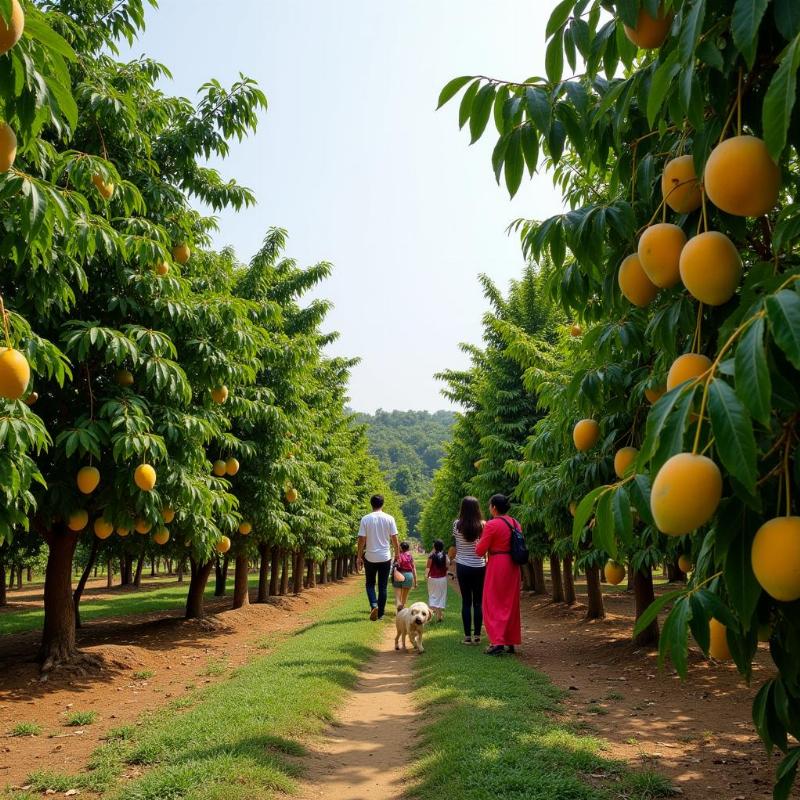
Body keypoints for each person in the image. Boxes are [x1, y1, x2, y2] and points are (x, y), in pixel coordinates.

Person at [474, 493, 522, 655]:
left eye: (489, 505)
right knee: (510, 603)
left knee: (494, 602)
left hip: (497, 564)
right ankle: (510, 641)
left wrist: (479, 542)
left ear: (494, 507)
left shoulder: (492, 525)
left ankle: (497, 642)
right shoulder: (515, 523)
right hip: (513, 566)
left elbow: (480, 551)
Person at [356, 494, 400, 621]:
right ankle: (380, 614)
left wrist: (359, 556)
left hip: (370, 556)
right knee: (383, 586)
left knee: (370, 584)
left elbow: (362, 539)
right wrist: (397, 554)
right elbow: (394, 539)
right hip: (385, 557)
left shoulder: (365, 519)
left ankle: (374, 605)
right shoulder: (389, 518)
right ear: (383, 504)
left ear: (371, 504)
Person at [452, 496, 486, 645]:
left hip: (463, 566)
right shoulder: (483, 525)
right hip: (479, 566)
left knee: (466, 602)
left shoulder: (456, 524)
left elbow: (456, 544)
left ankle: (467, 637)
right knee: (478, 602)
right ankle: (478, 636)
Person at [425, 539, 449, 622]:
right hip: (442, 579)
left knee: (432, 596)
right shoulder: (445, 556)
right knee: (441, 596)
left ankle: (429, 616)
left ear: (434, 546)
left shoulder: (431, 556)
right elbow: (447, 566)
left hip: (432, 578)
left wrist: (426, 577)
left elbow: (428, 568)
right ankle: (439, 616)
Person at [392, 540, 417, 610]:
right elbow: (413, 568)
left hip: (398, 574)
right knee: (404, 597)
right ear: (408, 548)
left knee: (397, 596)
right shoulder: (410, 556)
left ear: (400, 548)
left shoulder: (398, 556)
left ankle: (398, 608)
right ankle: (402, 609)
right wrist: (415, 581)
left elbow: (394, 566)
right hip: (408, 575)